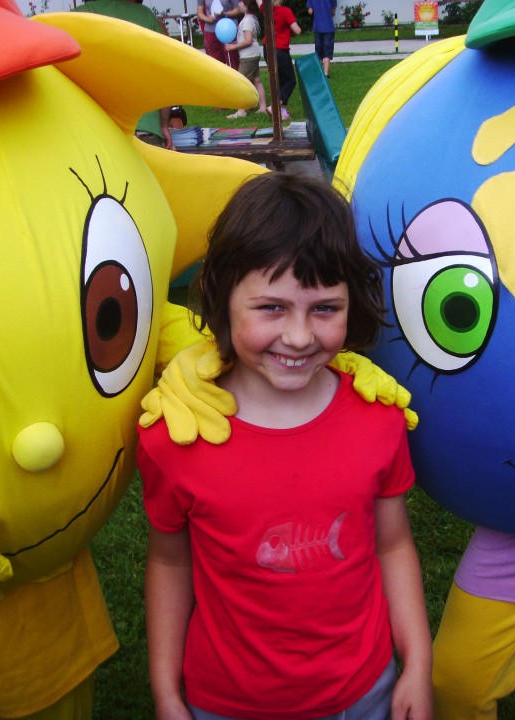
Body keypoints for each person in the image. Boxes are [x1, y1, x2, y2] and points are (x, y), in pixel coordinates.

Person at [139, 172, 433, 720]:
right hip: (224, 702)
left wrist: (416, 663)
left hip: (365, 694)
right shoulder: (177, 436)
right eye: (271, 308)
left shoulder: (379, 418)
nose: (298, 336)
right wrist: (165, 691)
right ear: (222, 297)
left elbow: (393, 546)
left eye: (324, 308)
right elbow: (169, 563)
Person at [72, 0, 175, 149]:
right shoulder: (145, 15)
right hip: (145, 129)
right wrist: (164, 124)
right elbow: (165, 72)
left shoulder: (78, 16)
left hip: (96, 130)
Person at [224, 0, 267, 118]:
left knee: (241, 83)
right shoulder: (253, 18)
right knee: (256, 81)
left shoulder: (247, 20)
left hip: (248, 56)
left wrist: (234, 46)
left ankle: (241, 110)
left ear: (247, 6)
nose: (238, 4)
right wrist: (236, 43)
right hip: (253, 53)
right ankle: (263, 107)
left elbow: (248, 40)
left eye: (241, 2)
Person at [265, 0, 302, 120]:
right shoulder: (286, 11)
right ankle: (274, 107)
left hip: (267, 49)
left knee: (279, 80)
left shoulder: (266, 10)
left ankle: (282, 111)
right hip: (280, 50)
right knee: (290, 81)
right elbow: (297, 30)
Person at [197, 0, 242, 69]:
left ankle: (234, 79)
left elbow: (238, 9)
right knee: (215, 61)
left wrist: (225, 14)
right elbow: (200, 13)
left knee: (232, 59)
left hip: (228, 30)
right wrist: (208, 19)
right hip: (210, 30)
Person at [306, 0, 337, 77]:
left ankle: (319, 72)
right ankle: (326, 73)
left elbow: (310, 11)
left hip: (317, 27)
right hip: (329, 26)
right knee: (328, 49)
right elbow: (333, 11)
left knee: (318, 49)